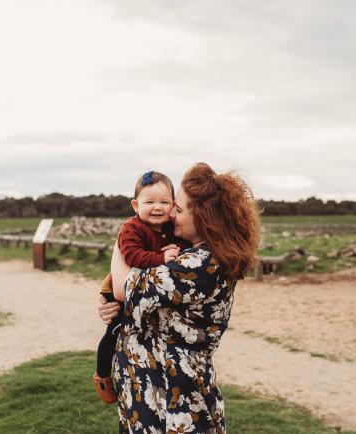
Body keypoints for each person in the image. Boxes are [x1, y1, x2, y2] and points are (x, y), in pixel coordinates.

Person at [98, 162, 260, 433]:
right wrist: (112, 307)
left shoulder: (201, 265)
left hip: (173, 398)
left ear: (204, 218)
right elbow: (131, 297)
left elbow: (124, 287)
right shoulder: (187, 256)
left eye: (179, 208)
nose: (171, 213)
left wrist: (125, 234)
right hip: (149, 388)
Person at [93, 170, 189, 404]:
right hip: (116, 287)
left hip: (140, 285)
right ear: (136, 205)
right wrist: (162, 258)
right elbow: (133, 256)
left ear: (173, 205)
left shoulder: (169, 228)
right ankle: (103, 375)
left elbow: (179, 246)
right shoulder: (131, 228)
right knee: (114, 329)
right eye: (150, 202)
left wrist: (175, 251)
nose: (157, 207)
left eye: (164, 202)